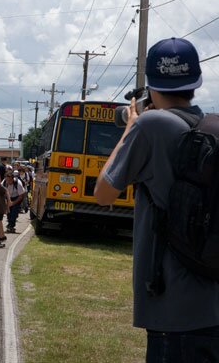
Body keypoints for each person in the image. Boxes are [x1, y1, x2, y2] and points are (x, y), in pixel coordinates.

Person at [94, 37, 219, 362]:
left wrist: (130, 127)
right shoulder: (212, 129)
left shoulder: (150, 125)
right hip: (213, 302)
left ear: (150, 83)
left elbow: (104, 192)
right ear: (196, 82)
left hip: (171, 308)